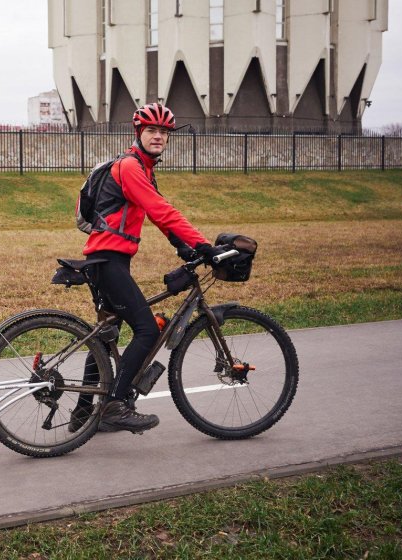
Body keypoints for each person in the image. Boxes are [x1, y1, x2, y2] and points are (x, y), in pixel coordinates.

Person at [78, 103, 224, 433]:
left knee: (106, 335)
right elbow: (162, 211)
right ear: (138, 133)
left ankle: (83, 414)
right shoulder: (131, 167)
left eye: (163, 132)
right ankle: (115, 405)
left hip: (108, 260)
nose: (158, 136)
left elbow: (160, 220)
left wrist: (183, 247)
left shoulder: (143, 169)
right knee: (147, 328)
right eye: (151, 131)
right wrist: (204, 246)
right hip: (108, 260)